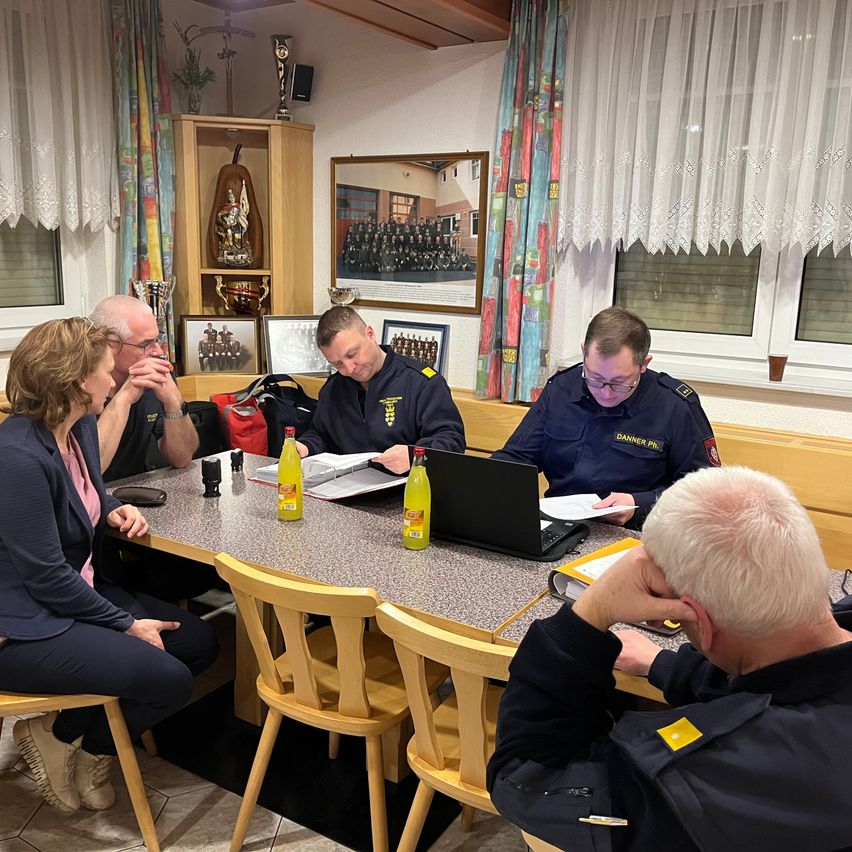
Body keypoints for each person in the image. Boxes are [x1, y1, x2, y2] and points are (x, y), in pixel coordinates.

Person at [487, 465, 852, 851]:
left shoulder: (712, 777)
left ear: (699, 624)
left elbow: (525, 779)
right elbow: (777, 677)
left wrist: (592, 610)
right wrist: (662, 664)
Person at [0, 318, 217, 815]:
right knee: (171, 679)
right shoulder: (15, 456)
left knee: (197, 644)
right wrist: (126, 623)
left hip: (70, 598)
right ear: (78, 382)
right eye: (105, 371)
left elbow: (85, 490)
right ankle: (77, 738)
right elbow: (46, 576)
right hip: (23, 623)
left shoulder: (76, 431)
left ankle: (69, 736)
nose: (113, 380)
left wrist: (111, 502)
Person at [493, 306, 719, 527]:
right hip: (561, 525)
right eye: (594, 377)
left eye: (619, 382)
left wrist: (638, 504)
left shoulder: (675, 405)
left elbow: (705, 491)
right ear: (584, 352)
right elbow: (517, 458)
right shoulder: (562, 388)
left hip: (638, 533)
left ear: (644, 364)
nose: (605, 391)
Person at [296, 306, 465, 473]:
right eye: (337, 363)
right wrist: (305, 446)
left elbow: (452, 441)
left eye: (352, 354)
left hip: (408, 490)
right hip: (349, 489)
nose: (349, 369)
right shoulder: (333, 389)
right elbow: (321, 434)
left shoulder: (421, 383)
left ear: (370, 334)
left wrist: (414, 456)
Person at [89, 295, 198, 482]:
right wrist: (124, 398)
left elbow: (182, 458)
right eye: (145, 344)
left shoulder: (155, 372)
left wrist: (174, 403)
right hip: (88, 501)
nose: (157, 351)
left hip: (133, 493)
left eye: (157, 339)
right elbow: (89, 470)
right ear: (108, 344)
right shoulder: (80, 383)